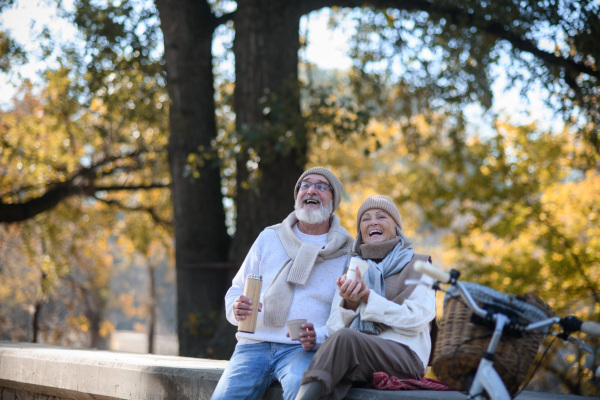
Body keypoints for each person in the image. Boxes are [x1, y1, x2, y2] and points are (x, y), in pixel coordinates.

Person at [211, 167, 354, 400]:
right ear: (297, 195)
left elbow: (348, 313)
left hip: (303, 349)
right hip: (252, 345)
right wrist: (235, 307)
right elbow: (236, 288)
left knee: (303, 393)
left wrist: (318, 336)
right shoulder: (270, 237)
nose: (311, 190)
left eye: (321, 186)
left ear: (333, 200)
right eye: (304, 185)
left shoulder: (346, 251)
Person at [295, 194, 437, 400]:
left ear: (396, 226)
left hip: (406, 356)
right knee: (334, 379)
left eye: (381, 217)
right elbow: (334, 329)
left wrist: (368, 297)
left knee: (345, 342)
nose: (373, 222)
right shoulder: (353, 269)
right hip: (359, 356)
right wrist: (350, 304)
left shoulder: (420, 266)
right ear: (361, 231)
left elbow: (415, 319)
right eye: (365, 219)